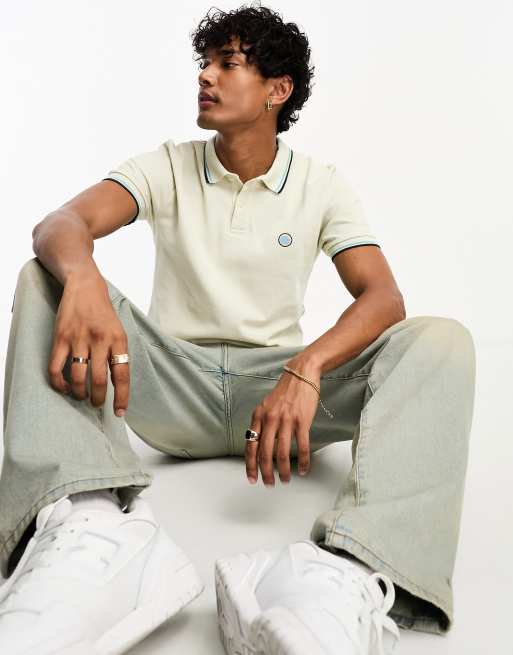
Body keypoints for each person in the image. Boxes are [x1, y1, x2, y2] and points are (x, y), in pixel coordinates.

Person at [0, 4, 476, 655]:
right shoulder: (168, 165)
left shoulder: (321, 185)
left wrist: (306, 368)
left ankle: (350, 570)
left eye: (227, 64)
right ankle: (92, 529)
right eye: (205, 63)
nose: (205, 76)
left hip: (277, 394)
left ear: (277, 90)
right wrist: (82, 278)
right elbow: (62, 223)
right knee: (45, 276)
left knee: (441, 339)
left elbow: (382, 297)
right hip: (170, 384)